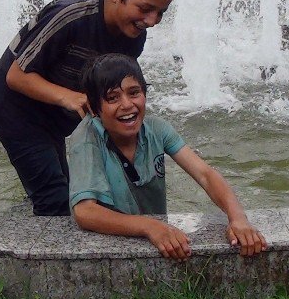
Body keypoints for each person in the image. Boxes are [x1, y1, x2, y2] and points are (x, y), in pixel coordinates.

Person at [0, 0, 179, 216]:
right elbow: (15, 76)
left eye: (161, 12)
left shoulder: (133, 36)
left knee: (74, 189)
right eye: (145, 8)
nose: (153, 20)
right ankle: (42, 251)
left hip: (55, 115)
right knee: (55, 199)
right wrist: (70, 97)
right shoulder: (71, 17)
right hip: (16, 111)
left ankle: (32, 223)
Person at [68, 53, 268, 260]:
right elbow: (85, 212)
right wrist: (149, 226)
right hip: (109, 249)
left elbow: (205, 175)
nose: (127, 104)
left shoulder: (157, 129)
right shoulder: (87, 139)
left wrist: (238, 218)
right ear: (93, 108)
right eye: (112, 98)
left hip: (157, 238)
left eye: (134, 92)